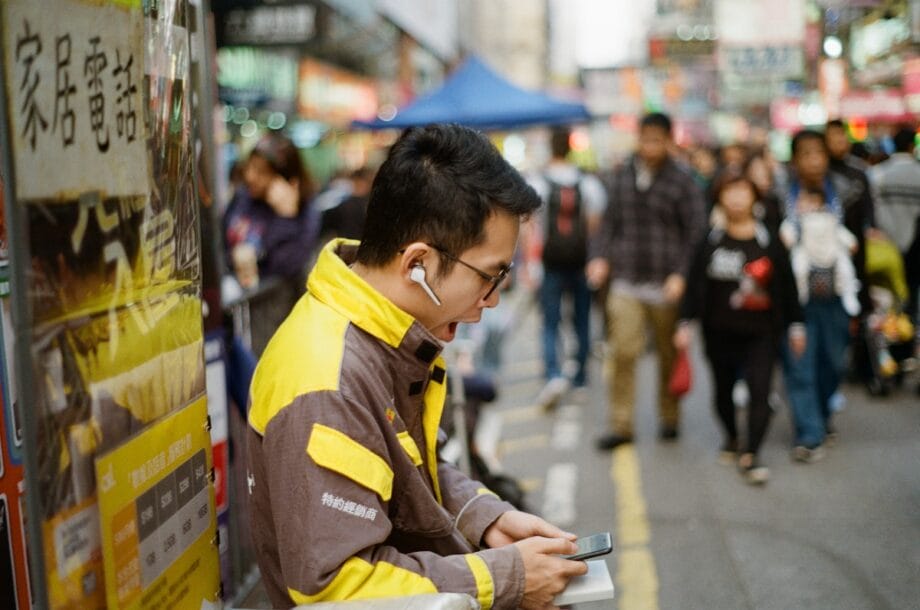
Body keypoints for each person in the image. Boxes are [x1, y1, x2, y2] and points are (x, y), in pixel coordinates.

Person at [246, 124, 587, 609]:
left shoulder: (377, 333)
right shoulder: (329, 381)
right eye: (490, 277)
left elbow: (401, 471)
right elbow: (336, 584)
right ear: (417, 264)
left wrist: (482, 515)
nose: (492, 301)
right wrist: (505, 577)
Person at [587, 112, 707, 450]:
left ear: (669, 140)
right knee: (622, 352)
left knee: (669, 355)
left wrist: (681, 275)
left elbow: (696, 234)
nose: (650, 145)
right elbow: (608, 225)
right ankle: (621, 424)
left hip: (666, 283)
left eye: (657, 139)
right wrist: (599, 258)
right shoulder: (622, 175)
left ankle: (670, 417)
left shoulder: (683, 181)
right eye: (645, 138)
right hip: (626, 279)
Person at [675, 171, 804, 485]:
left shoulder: (769, 240)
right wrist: (684, 322)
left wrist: (797, 325)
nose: (735, 198)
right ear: (719, 197)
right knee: (722, 395)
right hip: (719, 333)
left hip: (762, 333)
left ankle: (751, 453)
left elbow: (787, 286)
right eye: (729, 191)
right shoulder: (710, 239)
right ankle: (732, 437)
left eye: (742, 191)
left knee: (761, 391)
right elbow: (693, 285)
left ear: (755, 197)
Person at [777, 130, 855, 462]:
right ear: (795, 160)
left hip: (837, 295)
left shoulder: (847, 190)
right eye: (806, 154)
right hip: (797, 298)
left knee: (833, 362)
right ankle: (809, 433)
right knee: (800, 366)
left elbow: (863, 236)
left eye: (818, 153)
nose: (813, 160)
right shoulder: (779, 195)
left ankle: (822, 418)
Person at [526, 127, 607, 398]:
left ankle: (553, 374)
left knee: (550, 322)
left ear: (550, 148)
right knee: (581, 320)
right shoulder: (587, 183)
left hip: (550, 263)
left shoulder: (539, 183)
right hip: (581, 262)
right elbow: (595, 226)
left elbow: (532, 229)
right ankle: (581, 378)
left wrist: (531, 263)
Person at [223, 133, 320, 290]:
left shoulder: (305, 212)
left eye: (261, 172)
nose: (250, 176)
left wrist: (286, 218)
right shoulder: (244, 197)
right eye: (250, 167)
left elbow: (287, 268)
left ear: (286, 180)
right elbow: (221, 242)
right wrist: (233, 257)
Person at [869, 125, 920, 320]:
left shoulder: (877, 174)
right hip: (915, 248)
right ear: (910, 146)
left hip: (886, 248)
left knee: (888, 300)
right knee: (912, 297)